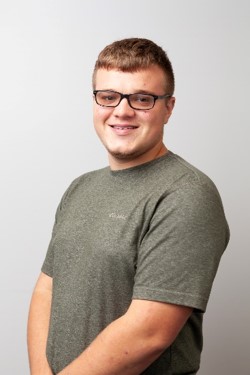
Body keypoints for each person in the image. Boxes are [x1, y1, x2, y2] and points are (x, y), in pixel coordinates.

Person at [27, 38, 230, 375]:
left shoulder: (186, 194)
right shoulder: (80, 187)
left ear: (168, 107)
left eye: (142, 98)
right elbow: (47, 289)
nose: (122, 110)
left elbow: (147, 334)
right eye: (108, 97)